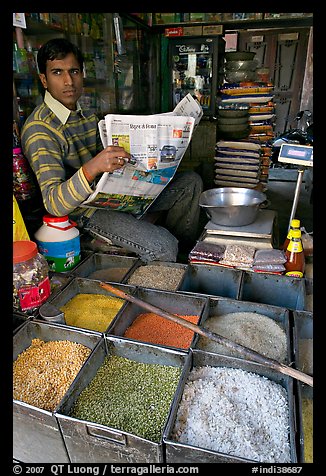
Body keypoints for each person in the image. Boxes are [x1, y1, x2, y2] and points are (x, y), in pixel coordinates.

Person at [21, 38, 203, 262]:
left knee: (190, 184)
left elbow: (108, 162)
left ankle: (185, 261)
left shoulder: (85, 114)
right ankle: (167, 268)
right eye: (57, 72)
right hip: (83, 211)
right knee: (162, 246)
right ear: (44, 80)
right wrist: (92, 168)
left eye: (74, 71)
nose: (68, 81)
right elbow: (54, 204)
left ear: (82, 74)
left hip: (110, 195)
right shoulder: (40, 129)